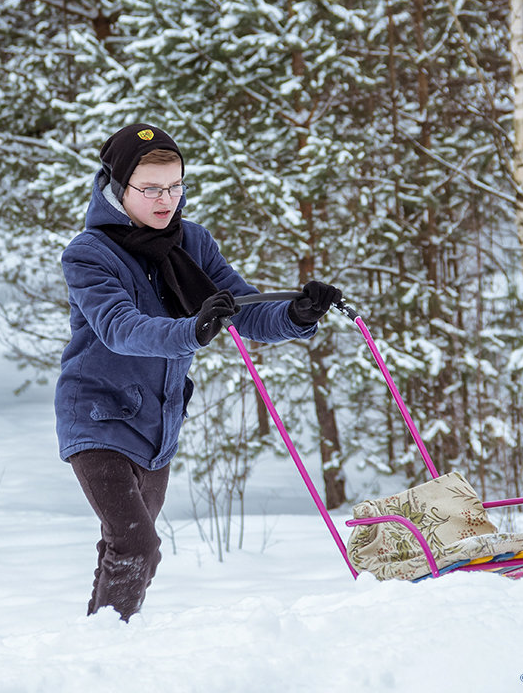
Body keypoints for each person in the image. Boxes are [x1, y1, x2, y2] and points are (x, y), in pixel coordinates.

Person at [54, 123, 342, 621]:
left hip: (158, 426)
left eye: (175, 185)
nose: (167, 199)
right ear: (119, 187)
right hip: (97, 419)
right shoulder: (89, 253)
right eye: (151, 189)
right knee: (138, 544)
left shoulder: (193, 242)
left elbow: (245, 310)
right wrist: (192, 329)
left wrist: (298, 315)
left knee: (124, 550)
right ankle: (113, 647)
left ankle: (98, 644)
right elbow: (121, 328)